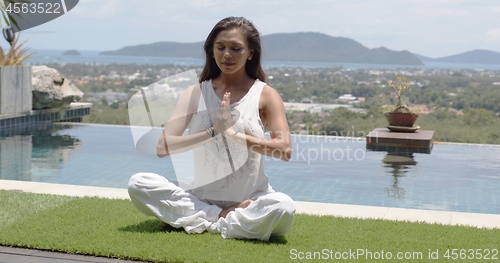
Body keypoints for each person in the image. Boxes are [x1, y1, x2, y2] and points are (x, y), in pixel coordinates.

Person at [128, 17, 295, 241]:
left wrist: (234, 135)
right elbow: (163, 147)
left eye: (236, 48)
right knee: (138, 184)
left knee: (283, 208)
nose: (227, 54)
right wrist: (212, 133)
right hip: (200, 197)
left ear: (250, 53)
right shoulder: (195, 93)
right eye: (221, 47)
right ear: (212, 51)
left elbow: (284, 150)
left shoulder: (265, 95)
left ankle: (200, 220)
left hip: (250, 199)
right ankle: (222, 218)